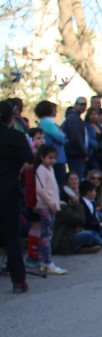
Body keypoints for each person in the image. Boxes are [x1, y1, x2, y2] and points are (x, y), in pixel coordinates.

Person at [0, 100, 33, 293]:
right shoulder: (16, 136)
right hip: (8, 189)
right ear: (12, 117)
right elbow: (29, 162)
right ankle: (18, 281)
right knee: (12, 236)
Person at [34, 144, 67, 275]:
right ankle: (46, 261)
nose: (52, 161)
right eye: (50, 158)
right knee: (46, 235)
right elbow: (40, 189)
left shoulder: (49, 169)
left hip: (50, 205)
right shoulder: (41, 170)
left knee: (47, 234)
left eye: (54, 158)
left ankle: (45, 261)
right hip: (46, 206)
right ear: (42, 157)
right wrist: (51, 203)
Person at [52, 171, 102, 255]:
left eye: (76, 179)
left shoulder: (80, 193)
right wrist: (77, 204)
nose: (74, 182)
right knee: (90, 235)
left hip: (75, 229)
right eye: (71, 180)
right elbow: (81, 219)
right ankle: (79, 248)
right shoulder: (63, 206)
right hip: (65, 238)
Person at [34, 100, 68, 188]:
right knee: (59, 184)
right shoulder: (48, 123)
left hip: (56, 157)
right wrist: (64, 136)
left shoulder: (45, 122)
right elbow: (60, 138)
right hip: (56, 158)